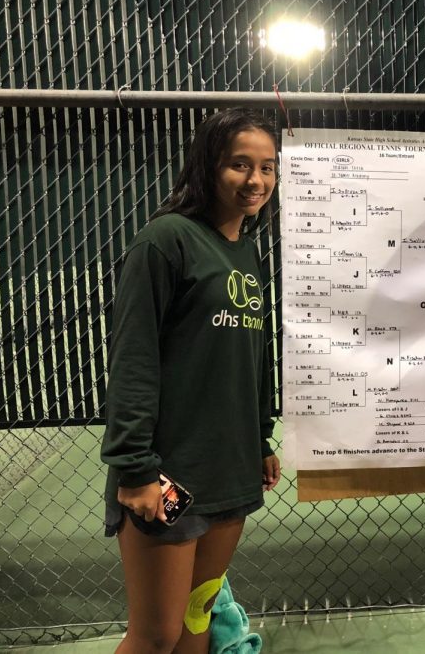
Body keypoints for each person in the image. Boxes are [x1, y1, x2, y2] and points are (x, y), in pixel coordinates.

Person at [101, 107, 282, 653]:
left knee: (198, 614)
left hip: (229, 473)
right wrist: (135, 470)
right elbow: (133, 357)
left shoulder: (246, 251)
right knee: (156, 635)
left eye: (268, 167)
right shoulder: (166, 240)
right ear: (208, 166)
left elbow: (251, 358)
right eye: (239, 165)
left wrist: (258, 440)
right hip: (170, 480)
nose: (256, 181)